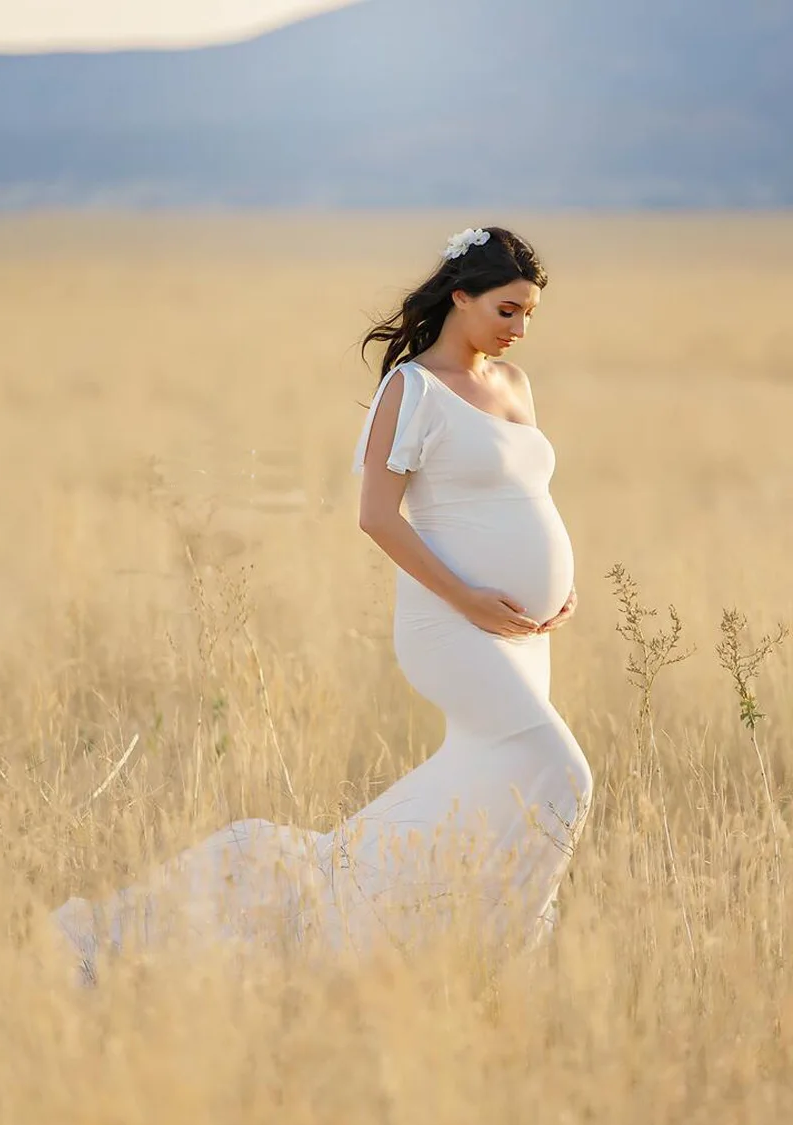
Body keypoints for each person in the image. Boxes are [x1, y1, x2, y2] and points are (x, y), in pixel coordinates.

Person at [50, 225, 593, 982]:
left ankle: (396, 931)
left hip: (524, 635)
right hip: (452, 627)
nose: (520, 330)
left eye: (530, 314)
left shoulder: (516, 386)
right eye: (507, 311)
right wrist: (468, 596)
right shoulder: (413, 388)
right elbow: (375, 515)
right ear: (461, 296)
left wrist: (560, 590)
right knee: (562, 772)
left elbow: (524, 492)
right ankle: (504, 955)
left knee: (483, 785)